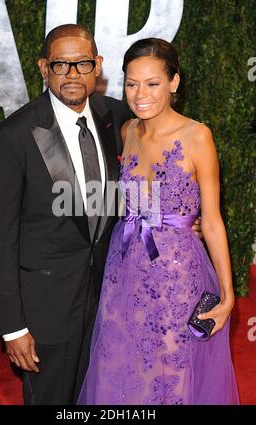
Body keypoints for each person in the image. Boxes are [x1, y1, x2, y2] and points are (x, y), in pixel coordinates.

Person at [0, 25, 201, 405]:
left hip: (112, 301)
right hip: (46, 310)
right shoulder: (13, 136)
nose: (72, 74)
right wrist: (13, 327)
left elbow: (146, 177)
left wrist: (175, 218)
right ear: (43, 68)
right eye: (61, 64)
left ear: (97, 66)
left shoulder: (117, 116)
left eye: (82, 63)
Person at [77, 38, 239, 405]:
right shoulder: (128, 131)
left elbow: (212, 221)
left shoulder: (197, 136)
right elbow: (128, 201)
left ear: (174, 83)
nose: (139, 94)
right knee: (122, 361)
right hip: (124, 266)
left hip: (177, 275)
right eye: (131, 83)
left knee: (171, 368)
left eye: (152, 83)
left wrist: (228, 296)